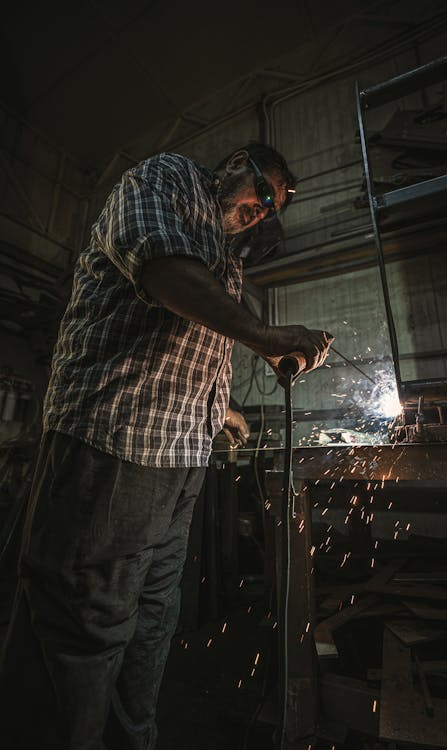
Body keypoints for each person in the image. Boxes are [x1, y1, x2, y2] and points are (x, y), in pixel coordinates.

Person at [0, 142, 332, 749]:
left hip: (178, 460)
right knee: (85, 623)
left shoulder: (226, 258)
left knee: (152, 619)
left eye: (269, 212)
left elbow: (186, 343)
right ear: (236, 163)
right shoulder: (166, 180)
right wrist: (264, 335)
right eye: (260, 197)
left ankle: (131, 741)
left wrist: (219, 406)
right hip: (114, 444)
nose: (259, 214)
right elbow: (164, 273)